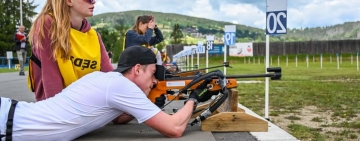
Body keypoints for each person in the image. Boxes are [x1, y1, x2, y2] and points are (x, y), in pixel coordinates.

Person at [0, 46, 213, 140]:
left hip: (10, 117)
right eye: (152, 73)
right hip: (7, 123)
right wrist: (193, 98)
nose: (155, 80)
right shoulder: (121, 86)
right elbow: (174, 129)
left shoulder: (107, 79)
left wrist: (151, 104)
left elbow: (118, 118)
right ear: (137, 69)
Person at [27, 0, 113, 101]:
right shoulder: (47, 23)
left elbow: (109, 76)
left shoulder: (93, 35)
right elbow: (51, 79)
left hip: (89, 103)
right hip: (61, 106)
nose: (93, 2)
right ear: (69, 1)